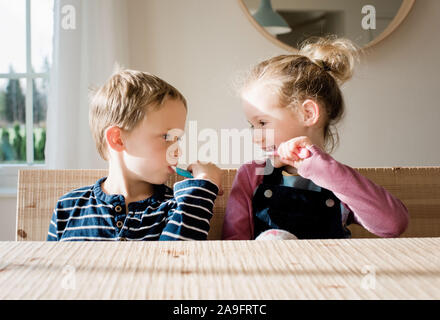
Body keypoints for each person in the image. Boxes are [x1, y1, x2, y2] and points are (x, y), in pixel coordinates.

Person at [222, 37, 409, 240]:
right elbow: (235, 244)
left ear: (308, 114)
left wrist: (321, 168)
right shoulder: (252, 175)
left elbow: (394, 224)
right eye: (252, 126)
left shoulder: (338, 179)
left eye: (263, 123)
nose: (256, 138)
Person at [48, 70, 222, 241]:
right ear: (118, 139)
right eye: (167, 137)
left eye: (178, 139)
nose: (178, 151)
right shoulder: (67, 209)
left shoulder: (177, 206)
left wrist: (202, 187)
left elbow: (175, 263)